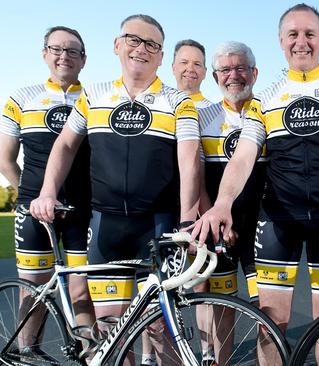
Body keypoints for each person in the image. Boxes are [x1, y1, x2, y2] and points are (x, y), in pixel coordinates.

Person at [191, 3, 319, 364]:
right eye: (293, 34)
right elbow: (243, 157)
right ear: (281, 41)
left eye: (309, 34)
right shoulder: (265, 99)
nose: (301, 42)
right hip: (278, 220)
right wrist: (222, 203)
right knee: (272, 322)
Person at [30, 14, 201, 365]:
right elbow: (64, 146)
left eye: (152, 44)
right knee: (111, 332)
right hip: (105, 226)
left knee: (163, 329)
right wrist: (48, 191)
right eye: (134, 39)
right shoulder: (93, 95)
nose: (142, 49)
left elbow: (189, 160)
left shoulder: (178, 101)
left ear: (160, 54)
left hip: (157, 225)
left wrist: (186, 223)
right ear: (117, 45)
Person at [0, 25, 94, 348]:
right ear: (44, 54)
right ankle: (28, 353)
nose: (63, 56)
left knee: (83, 290)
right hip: (34, 211)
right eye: (56, 49)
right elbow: (5, 160)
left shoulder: (95, 99)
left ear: (84, 59)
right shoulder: (21, 98)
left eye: (72, 51)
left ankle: (87, 355)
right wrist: (32, 195)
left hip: (83, 209)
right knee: (34, 290)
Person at [195, 40, 264, 365]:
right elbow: (194, 177)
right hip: (219, 228)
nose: (233, 75)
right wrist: (215, 216)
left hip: (262, 228)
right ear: (215, 76)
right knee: (222, 305)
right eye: (225, 70)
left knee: (267, 306)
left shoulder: (268, 111)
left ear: (254, 73)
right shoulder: (200, 116)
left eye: (240, 68)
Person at [172, 39, 212, 109]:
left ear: (204, 72)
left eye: (197, 64)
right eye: (184, 62)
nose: (190, 69)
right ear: (173, 68)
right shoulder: (158, 106)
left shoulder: (215, 114)